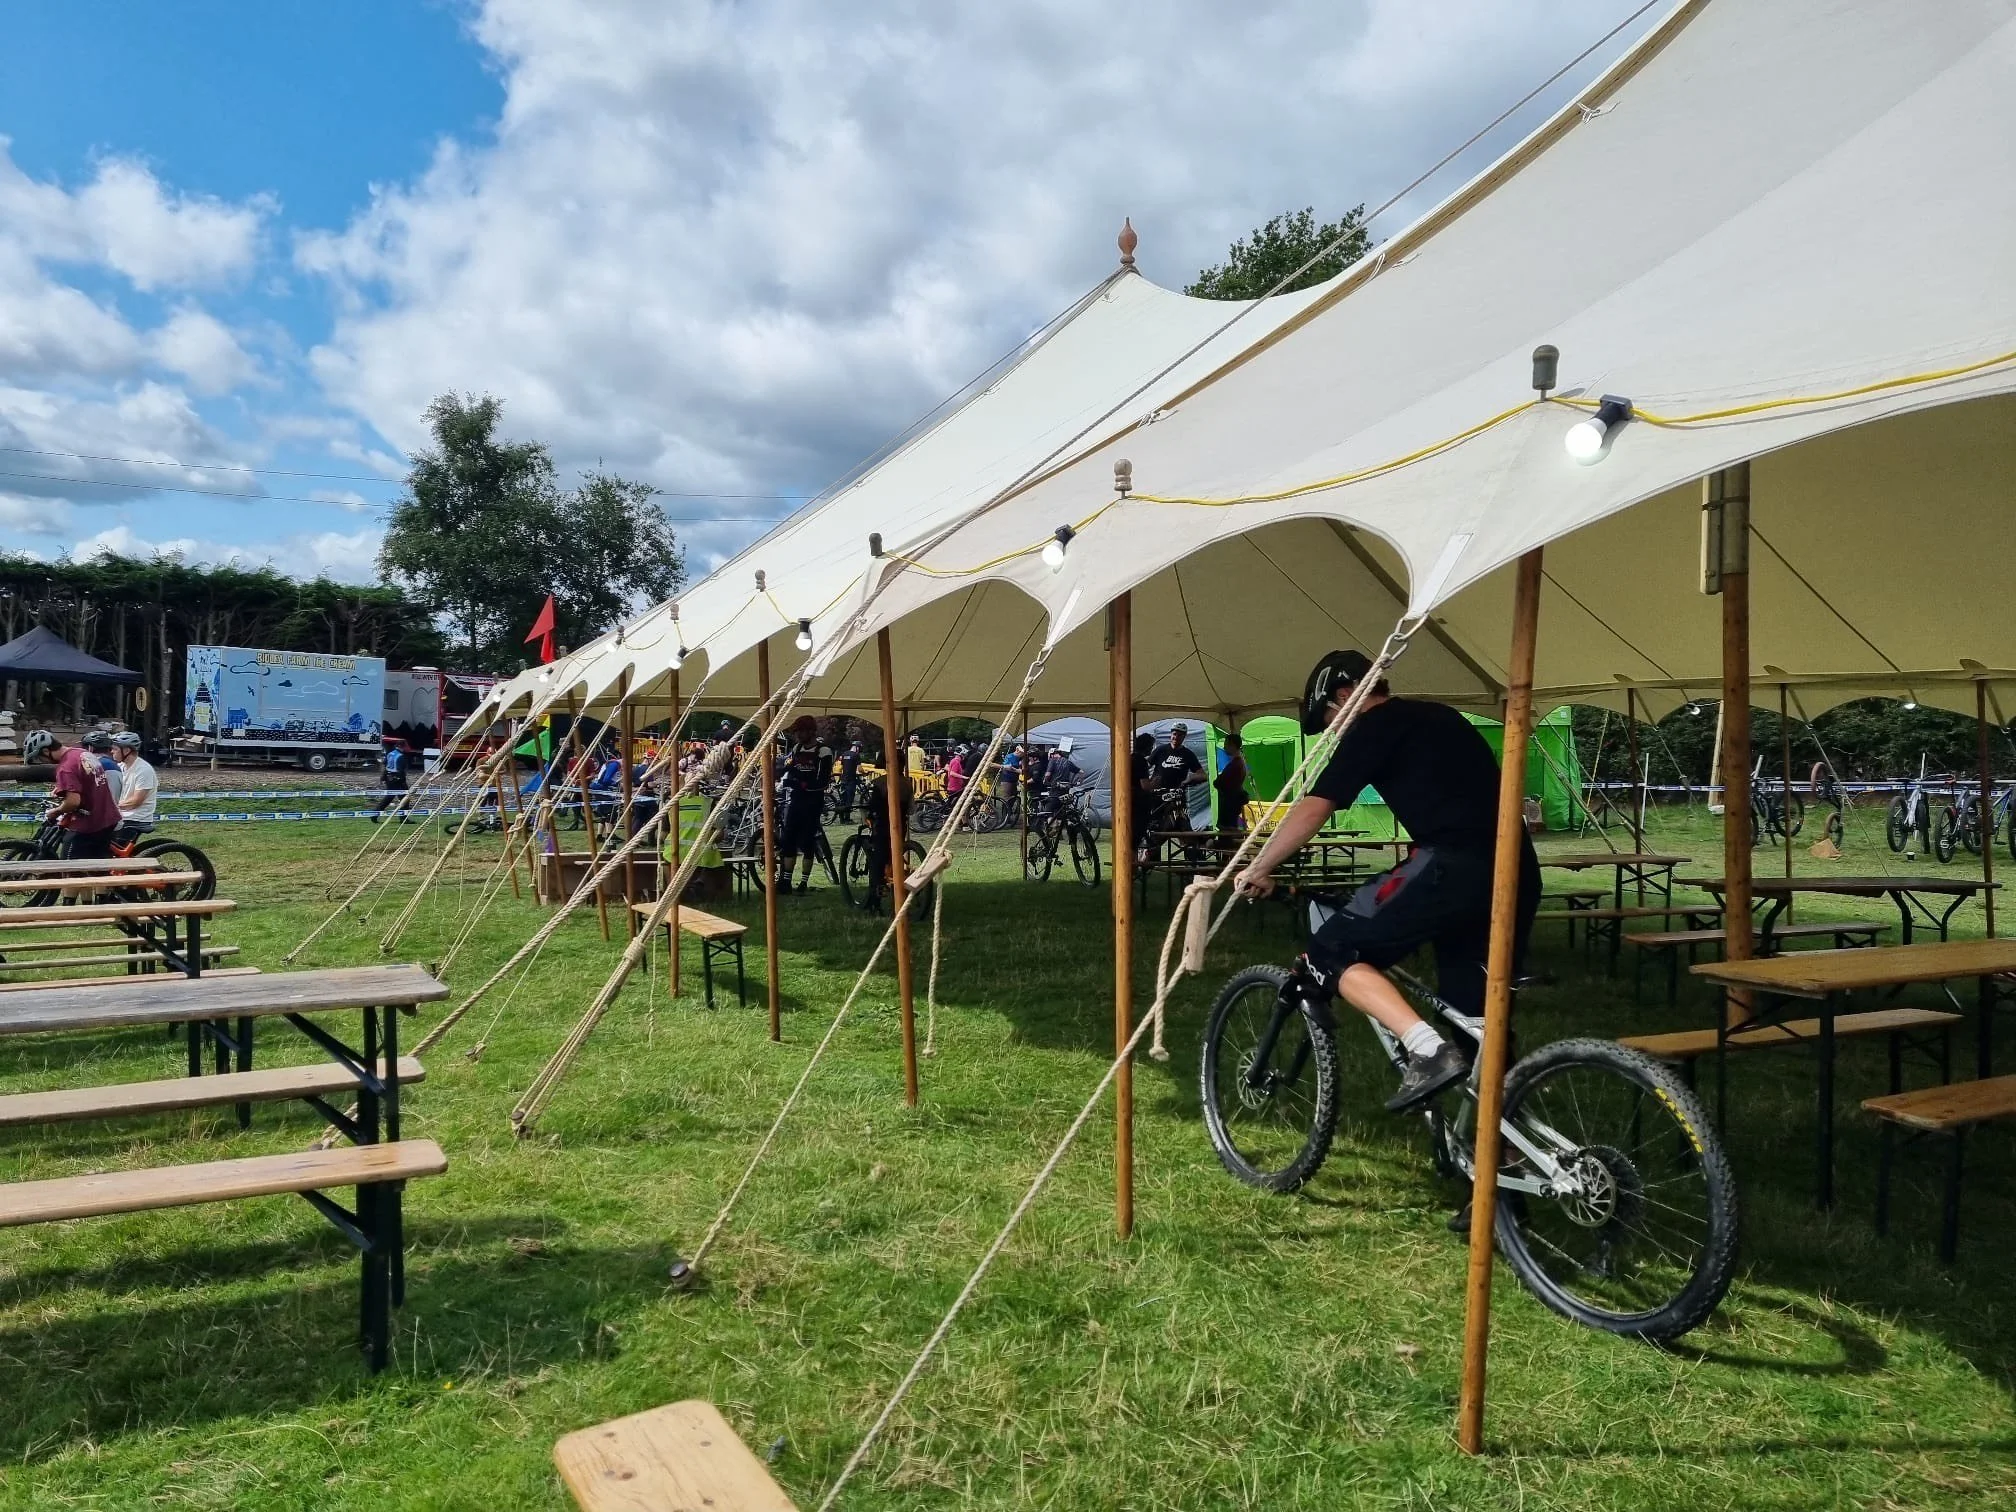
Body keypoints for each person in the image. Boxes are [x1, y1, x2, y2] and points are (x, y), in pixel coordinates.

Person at [1234, 649, 1541, 1114]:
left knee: (1330, 949)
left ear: (1345, 694)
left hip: (1452, 865)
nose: (1333, 729)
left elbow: (1316, 806)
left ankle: (1427, 1049)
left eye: (1330, 718)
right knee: (1474, 1019)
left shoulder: (1375, 725)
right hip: (1517, 870)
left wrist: (1260, 864)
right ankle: (1509, 1159)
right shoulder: (1439, 717)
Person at [28, 729, 121, 860]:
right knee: (98, 866)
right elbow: (88, 783)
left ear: (46, 751)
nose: (42, 762)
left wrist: (56, 811)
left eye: (40, 758)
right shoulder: (81, 753)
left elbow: (73, 802)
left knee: (69, 867)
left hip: (89, 824)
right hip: (107, 818)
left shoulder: (66, 767)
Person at [776, 715, 832, 893]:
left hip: (813, 801)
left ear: (811, 731)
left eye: (801, 731)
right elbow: (788, 766)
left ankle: (803, 882)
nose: (798, 735)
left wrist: (801, 784)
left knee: (807, 842)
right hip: (796, 800)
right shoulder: (797, 748)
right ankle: (785, 882)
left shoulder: (824, 752)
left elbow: (822, 781)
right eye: (796, 732)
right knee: (788, 840)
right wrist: (777, 771)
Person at [110, 730, 159, 844]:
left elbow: (136, 801)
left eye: (115, 749)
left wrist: (112, 806)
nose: (112, 751)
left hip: (134, 818)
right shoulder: (120, 766)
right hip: (122, 815)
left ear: (126, 750)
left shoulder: (144, 770)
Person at [1214, 731, 1250, 838]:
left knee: (1227, 840)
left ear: (1233, 745)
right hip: (1231, 806)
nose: (1224, 747)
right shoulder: (1238, 763)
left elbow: (1219, 782)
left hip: (1230, 807)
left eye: (1226, 744)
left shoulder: (1236, 764)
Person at [373, 738, 411, 822]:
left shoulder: (390, 753)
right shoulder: (401, 756)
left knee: (389, 797)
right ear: (402, 746)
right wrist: (403, 781)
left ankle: (375, 814)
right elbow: (401, 770)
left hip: (388, 777)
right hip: (397, 779)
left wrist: (382, 777)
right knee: (405, 798)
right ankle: (403, 818)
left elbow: (384, 765)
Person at [835, 740, 863, 821]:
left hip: (843, 779)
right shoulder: (856, 755)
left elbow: (843, 767)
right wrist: (865, 773)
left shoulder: (844, 754)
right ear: (857, 748)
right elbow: (860, 769)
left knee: (843, 799)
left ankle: (841, 818)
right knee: (849, 800)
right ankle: (847, 818)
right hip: (851, 779)